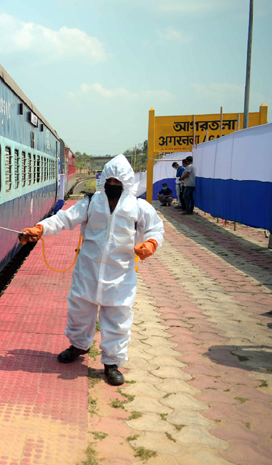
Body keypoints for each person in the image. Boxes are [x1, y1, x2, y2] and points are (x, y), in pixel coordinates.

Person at [18, 155, 164, 386]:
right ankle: (78, 346)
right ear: (104, 180)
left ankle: (111, 363)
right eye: (110, 181)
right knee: (79, 310)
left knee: (117, 318)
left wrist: (151, 244)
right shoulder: (90, 203)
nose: (113, 186)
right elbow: (64, 219)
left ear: (126, 184)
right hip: (88, 270)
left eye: (118, 183)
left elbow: (156, 229)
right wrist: (40, 229)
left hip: (120, 274)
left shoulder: (138, 207)